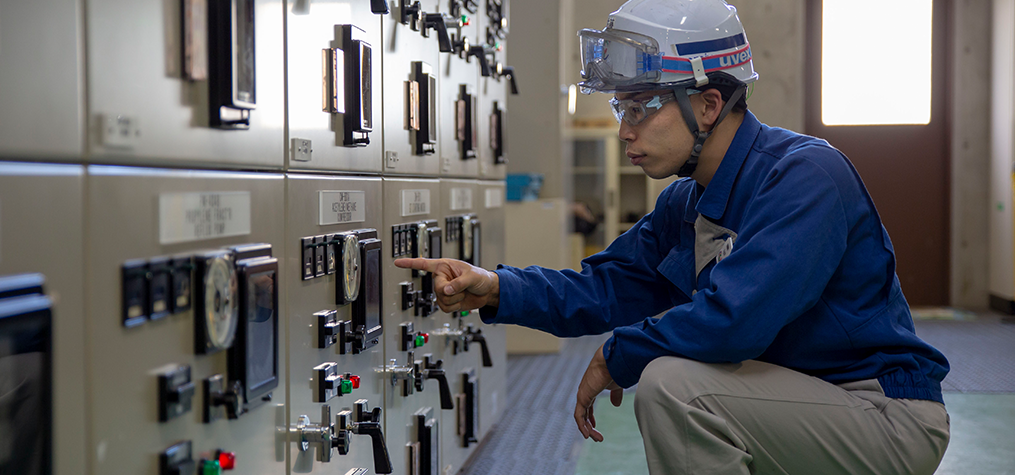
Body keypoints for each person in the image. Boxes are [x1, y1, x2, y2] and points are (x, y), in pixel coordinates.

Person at [395, 0, 951, 473]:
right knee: (681, 380)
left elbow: (735, 321)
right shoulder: (686, 203)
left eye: (641, 107)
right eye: (621, 107)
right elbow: (607, 286)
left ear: (708, 105)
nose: (624, 130)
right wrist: (496, 287)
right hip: (794, 397)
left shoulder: (804, 176)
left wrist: (617, 354)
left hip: (882, 414)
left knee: (675, 386)